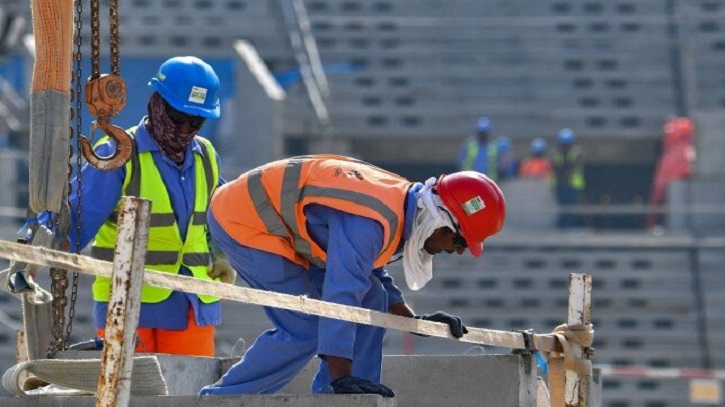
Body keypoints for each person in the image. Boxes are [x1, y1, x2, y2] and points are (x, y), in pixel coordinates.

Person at [199, 155, 506, 397]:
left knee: (374, 298)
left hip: (276, 223)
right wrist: (341, 374)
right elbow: (341, 294)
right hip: (244, 221)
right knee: (307, 326)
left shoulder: (401, 207)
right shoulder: (372, 221)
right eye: (460, 242)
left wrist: (416, 323)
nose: (458, 252)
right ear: (441, 223)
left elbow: (368, 272)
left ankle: (345, 399)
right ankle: (220, 399)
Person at [68, 56, 233, 356]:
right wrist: (36, 254)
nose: (184, 127)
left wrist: (223, 254)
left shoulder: (205, 155)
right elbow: (77, 219)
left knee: (190, 396)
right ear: (157, 103)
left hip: (193, 303)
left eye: (195, 121)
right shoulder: (119, 154)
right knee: (129, 396)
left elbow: (221, 214)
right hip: (127, 302)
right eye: (177, 115)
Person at [552, 128, 585, 229]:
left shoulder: (576, 153)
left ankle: (567, 226)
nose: (565, 147)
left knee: (571, 207)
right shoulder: (557, 154)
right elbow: (557, 168)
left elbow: (574, 166)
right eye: (563, 144)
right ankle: (562, 226)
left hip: (573, 185)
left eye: (567, 144)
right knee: (563, 207)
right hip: (560, 185)